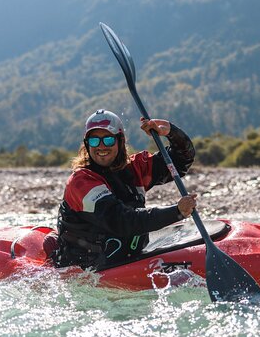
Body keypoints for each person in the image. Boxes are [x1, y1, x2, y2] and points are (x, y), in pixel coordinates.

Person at [48, 109, 197, 270]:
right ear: (86, 144)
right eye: (94, 141)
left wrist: (170, 131)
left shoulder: (136, 169)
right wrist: (177, 212)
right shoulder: (81, 182)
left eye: (108, 140)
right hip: (86, 268)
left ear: (120, 141)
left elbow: (181, 160)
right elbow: (121, 221)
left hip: (128, 258)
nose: (101, 146)